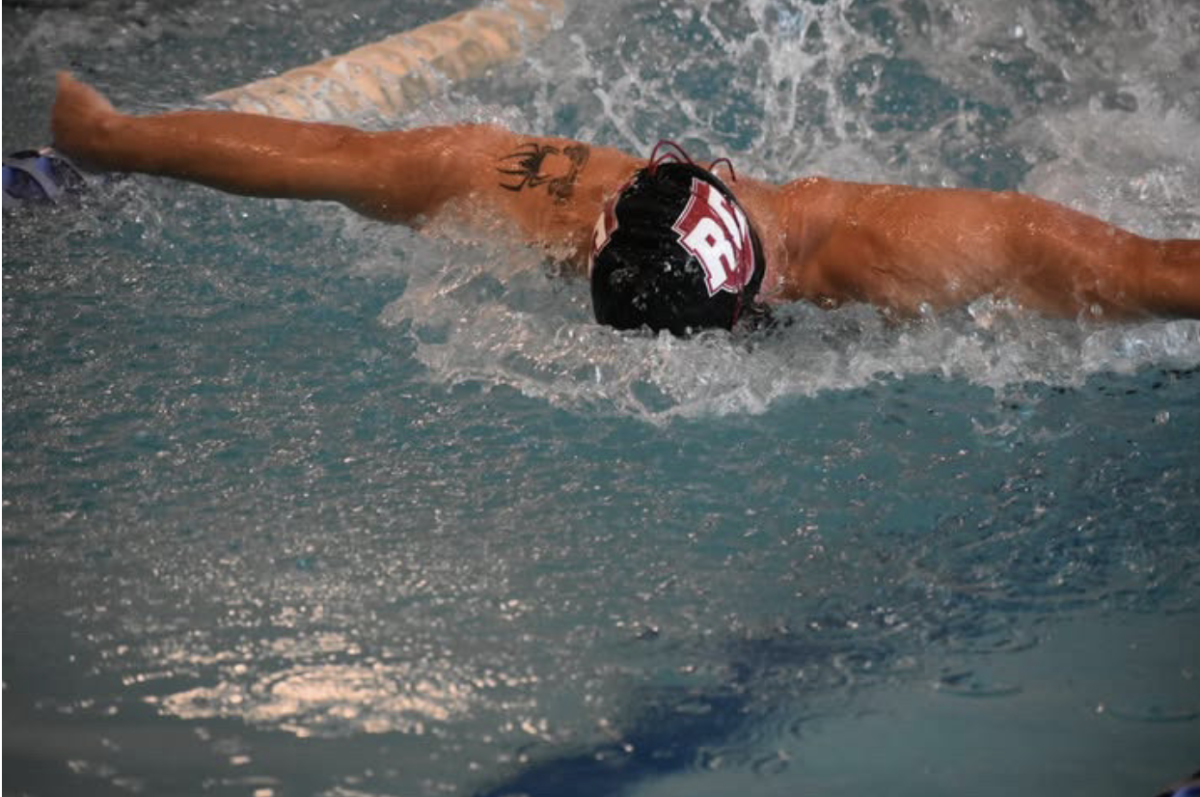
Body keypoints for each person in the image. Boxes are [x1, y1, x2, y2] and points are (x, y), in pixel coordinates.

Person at [47, 72, 1200, 333]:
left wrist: (109, 139)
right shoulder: (931, 249)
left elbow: (333, 152)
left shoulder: (532, 194)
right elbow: (1153, 273)